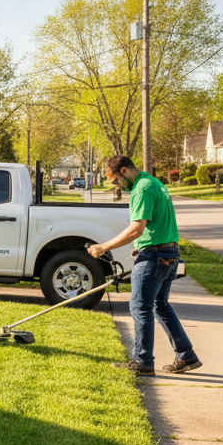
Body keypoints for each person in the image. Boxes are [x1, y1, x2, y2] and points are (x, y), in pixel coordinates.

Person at [88, 155, 201, 376]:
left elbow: (136, 229)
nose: (115, 186)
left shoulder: (141, 188)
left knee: (140, 307)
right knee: (160, 305)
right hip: (168, 251)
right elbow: (153, 225)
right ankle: (186, 355)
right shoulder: (153, 183)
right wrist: (142, 246)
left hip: (156, 256)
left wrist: (103, 247)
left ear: (123, 171)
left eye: (115, 181)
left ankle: (142, 362)